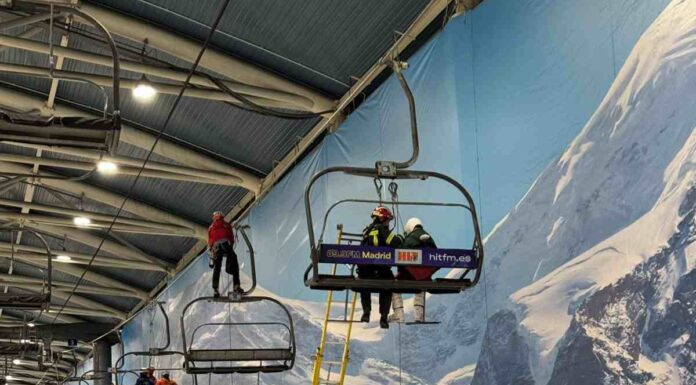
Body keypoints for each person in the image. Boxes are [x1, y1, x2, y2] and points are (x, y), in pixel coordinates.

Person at [358, 206, 402, 329]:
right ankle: (383, 317)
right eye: (387, 220)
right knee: (388, 287)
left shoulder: (366, 232)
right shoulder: (382, 230)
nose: (388, 223)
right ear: (382, 219)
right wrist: (401, 238)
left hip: (366, 271)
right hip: (382, 269)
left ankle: (366, 312)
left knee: (363, 285)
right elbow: (396, 243)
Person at [389, 217, 438, 323]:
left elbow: (401, 257)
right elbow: (437, 257)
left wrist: (401, 272)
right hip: (425, 277)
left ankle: (399, 315)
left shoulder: (410, 238)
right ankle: (419, 316)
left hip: (411, 274)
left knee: (393, 286)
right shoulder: (430, 238)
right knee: (421, 286)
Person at [207, 211, 242, 297]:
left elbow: (210, 241)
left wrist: (212, 250)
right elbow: (231, 237)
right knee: (233, 258)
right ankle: (236, 286)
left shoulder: (211, 227)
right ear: (222, 216)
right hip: (226, 244)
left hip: (216, 247)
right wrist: (230, 246)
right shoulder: (226, 224)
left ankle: (215, 289)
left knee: (217, 266)